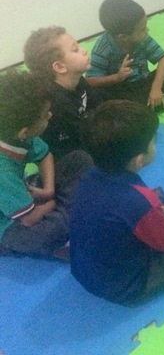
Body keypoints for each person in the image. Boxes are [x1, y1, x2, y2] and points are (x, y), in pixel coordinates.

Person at [70, 100, 164, 304]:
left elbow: (114, 213)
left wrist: (163, 210)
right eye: (153, 142)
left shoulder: (90, 176)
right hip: (126, 286)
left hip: (85, 272)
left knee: (154, 199)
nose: (155, 145)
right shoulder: (135, 200)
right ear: (138, 160)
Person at [0, 70, 92, 260]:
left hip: (22, 194)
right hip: (11, 224)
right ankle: (73, 210)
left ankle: (70, 211)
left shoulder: (16, 135)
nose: (50, 115)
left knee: (79, 159)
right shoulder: (3, 172)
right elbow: (28, 219)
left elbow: (45, 155)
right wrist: (51, 203)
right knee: (39, 237)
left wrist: (49, 190)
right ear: (24, 132)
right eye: (44, 115)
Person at [86, 0, 164, 110]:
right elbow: (90, 81)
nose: (147, 30)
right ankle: (155, 104)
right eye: (142, 29)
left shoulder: (143, 38)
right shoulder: (102, 49)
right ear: (123, 37)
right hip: (121, 90)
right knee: (98, 95)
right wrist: (116, 77)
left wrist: (156, 88)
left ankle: (140, 107)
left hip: (143, 83)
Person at [23, 26, 101, 160]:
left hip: (84, 133)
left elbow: (97, 106)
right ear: (60, 67)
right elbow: (85, 135)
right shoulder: (57, 103)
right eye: (75, 49)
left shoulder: (78, 80)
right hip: (69, 155)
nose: (84, 51)